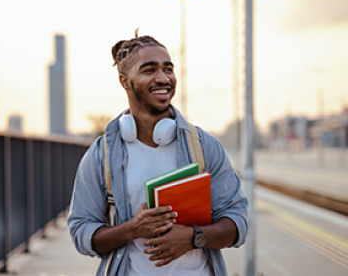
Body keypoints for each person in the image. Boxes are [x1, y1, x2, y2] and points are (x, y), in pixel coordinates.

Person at [68, 33, 248, 276]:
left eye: (168, 69)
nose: (163, 78)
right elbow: (81, 231)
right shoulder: (102, 155)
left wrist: (194, 237)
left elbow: (238, 222)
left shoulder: (205, 146)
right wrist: (133, 229)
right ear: (125, 81)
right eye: (149, 70)